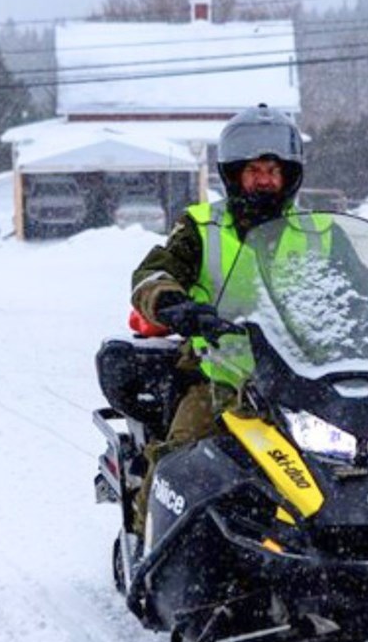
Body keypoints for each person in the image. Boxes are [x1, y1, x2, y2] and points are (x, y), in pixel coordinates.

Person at [126, 103, 309, 538]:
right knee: (181, 455)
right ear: (233, 174)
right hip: (222, 375)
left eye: (272, 169)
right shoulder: (200, 226)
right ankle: (149, 542)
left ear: (289, 174)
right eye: (253, 170)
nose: (264, 179)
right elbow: (152, 273)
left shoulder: (318, 230)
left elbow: (361, 286)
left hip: (305, 376)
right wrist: (174, 303)